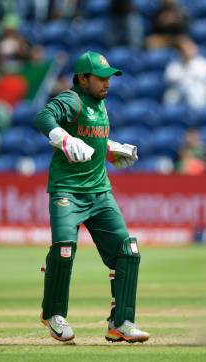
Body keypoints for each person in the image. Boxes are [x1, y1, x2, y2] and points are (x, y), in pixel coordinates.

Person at [33, 51, 149, 343]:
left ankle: (120, 323)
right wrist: (64, 139)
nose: (107, 84)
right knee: (64, 249)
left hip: (100, 192)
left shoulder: (101, 104)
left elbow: (92, 136)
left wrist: (110, 149)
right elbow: (43, 116)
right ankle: (53, 313)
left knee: (128, 251)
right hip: (67, 192)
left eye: (109, 78)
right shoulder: (72, 99)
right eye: (100, 78)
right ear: (82, 78)